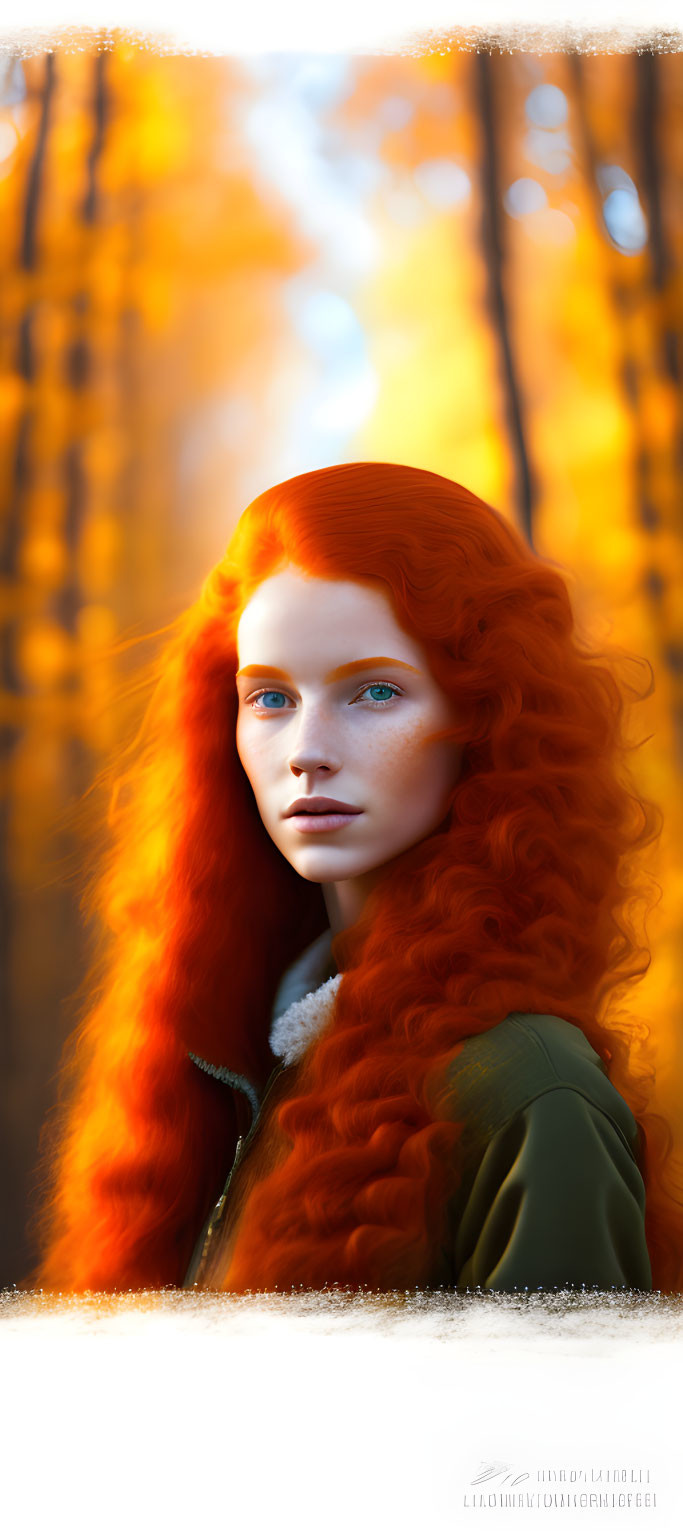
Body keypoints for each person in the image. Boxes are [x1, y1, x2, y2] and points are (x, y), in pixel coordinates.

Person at [30, 462, 678, 1294]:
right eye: (268, 698)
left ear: (486, 718)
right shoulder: (237, 1047)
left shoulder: (530, 1095)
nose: (305, 750)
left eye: (374, 691)